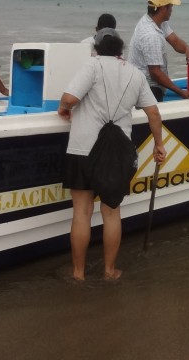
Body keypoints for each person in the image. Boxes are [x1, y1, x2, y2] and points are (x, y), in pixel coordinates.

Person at [57, 28, 166, 282]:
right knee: (111, 212)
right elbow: (153, 113)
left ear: (96, 49)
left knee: (82, 213)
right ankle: (109, 271)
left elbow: (70, 98)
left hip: (83, 149)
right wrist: (158, 144)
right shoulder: (135, 73)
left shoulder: (92, 65)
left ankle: (78, 273)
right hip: (118, 153)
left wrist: (64, 108)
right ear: (121, 52)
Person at [127, 0, 189, 102]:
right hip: (147, 87)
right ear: (164, 8)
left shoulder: (156, 21)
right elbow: (155, 73)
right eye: (171, 7)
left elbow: (174, 40)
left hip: (148, 82)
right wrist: (181, 92)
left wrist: (187, 49)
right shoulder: (151, 36)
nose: (172, 11)